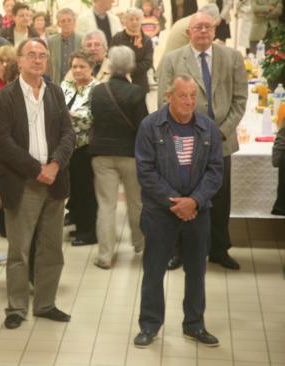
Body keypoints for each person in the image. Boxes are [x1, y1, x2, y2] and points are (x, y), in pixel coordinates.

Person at [0, 38, 76, 329]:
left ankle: (45, 303)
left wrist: (54, 165)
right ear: (20, 60)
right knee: (19, 250)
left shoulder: (55, 93)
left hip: (54, 181)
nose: (37, 60)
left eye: (42, 55)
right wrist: (36, 169)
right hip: (23, 181)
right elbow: (2, 143)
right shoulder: (4, 98)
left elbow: (68, 134)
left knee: (52, 248)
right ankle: (16, 307)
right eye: (31, 55)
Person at [133, 75, 223, 348]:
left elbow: (216, 171)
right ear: (168, 97)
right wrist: (177, 203)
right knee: (154, 270)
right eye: (183, 96)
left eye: (193, 96)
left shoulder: (207, 127)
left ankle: (194, 325)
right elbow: (145, 171)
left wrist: (194, 201)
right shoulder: (151, 126)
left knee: (196, 271)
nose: (189, 101)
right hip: (160, 213)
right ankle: (149, 325)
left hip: (198, 212)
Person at [158, 11, 248, 270]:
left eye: (208, 27)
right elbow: (164, 101)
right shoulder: (173, 60)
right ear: (189, 32)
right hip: (184, 141)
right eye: (198, 27)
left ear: (214, 30)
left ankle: (219, 249)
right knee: (182, 195)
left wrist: (220, 132)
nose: (203, 32)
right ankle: (180, 250)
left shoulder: (231, 58)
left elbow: (240, 100)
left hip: (222, 140)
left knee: (219, 197)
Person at [89, 46, 147, 267]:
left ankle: (105, 256)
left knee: (106, 205)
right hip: (131, 155)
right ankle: (140, 244)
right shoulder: (136, 93)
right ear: (131, 66)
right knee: (136, 203)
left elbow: (92, 119)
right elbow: (144, 127)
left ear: (110, 65)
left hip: (102, 155)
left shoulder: (98, 91)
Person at [60, 51, 99, 246]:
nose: (77, 70)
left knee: (86, 191)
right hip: (66, 147)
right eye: (74, 66)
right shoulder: (65, 87)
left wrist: (67, 115)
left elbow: (91, 118)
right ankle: (76, 219)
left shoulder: (97, 89)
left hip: (86, 147)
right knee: (73, 188)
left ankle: (88, 232)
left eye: (82, 66)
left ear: (91, 68)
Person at [110, 7, 154, 93]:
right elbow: (110, 57)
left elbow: (148, 62)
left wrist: (129, 69)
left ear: (141, 21)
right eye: (131, 19)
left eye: (137, 19)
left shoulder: (147, 40)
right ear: (125, 21)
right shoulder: (117, 38)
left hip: (140, 83)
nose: (135, 22)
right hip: (119, 81)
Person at [48, 8, 83, 86]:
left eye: (69, 20)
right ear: (58, 23)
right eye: (63, 21)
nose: (66, 23)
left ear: (74, 22)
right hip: (56, 84)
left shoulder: (82, 40)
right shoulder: (51, 41)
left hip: (77, 84)